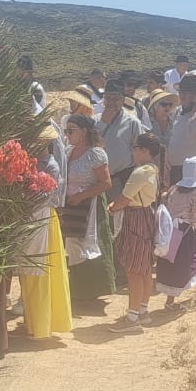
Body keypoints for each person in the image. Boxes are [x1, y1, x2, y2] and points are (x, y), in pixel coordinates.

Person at [16, 123, 73, 341]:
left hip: (40, 217)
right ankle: (32, 322)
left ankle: (41, 325)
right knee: (28, 272)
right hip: (29, 217)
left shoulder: (51, 166)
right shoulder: (34, 163)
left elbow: (44, 197)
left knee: (38, 272)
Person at [108, 132, 163, 334]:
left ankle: (131, 319)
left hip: (135, 219)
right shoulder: (153, 170)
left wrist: (113, 208)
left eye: (134, 148)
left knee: (133, 270)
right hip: (146, 216)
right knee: (145, 268)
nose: (132, 152)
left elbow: (124, 199)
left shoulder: (140, 172)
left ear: (144, 151)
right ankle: (142, 311)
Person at [60, 114, 115, 301]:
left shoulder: (96, 154)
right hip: (71, 207)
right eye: (66, 131)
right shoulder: (68, 151)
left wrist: (81, 196)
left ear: (84, 131)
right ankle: (74, 290)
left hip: (90, 208)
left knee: (90, 248)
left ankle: (91, 293)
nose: (67, 134)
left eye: (71, 130)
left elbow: (106, 183)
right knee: (71, 247)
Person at [155, 156, 196, 310]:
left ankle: (170, 300)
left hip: (169, 232)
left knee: (169, 263)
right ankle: (171, 302)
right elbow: (195, 220)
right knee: (185, 264)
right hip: (185, 234)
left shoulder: (173, 190)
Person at [97, 86, 144, 196]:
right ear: (103, 100)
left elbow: (140, 152)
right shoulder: (95, 120)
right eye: (108, 98)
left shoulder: (132, 123)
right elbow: (90, 144)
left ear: (123, 100)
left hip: (121, 179)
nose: (111, 102)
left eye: (116, 99)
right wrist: (103, 123)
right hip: (97, 181)